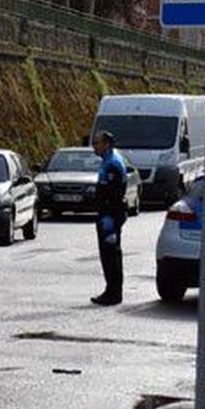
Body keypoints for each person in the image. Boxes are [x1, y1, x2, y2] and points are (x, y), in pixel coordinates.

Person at [90, 129, 128, 306]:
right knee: (109, 255)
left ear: (106, 144)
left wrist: (110, 219)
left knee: (110, 256)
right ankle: (111, 290)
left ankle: (113, 293)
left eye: (97, 143)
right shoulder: (108, 160)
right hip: (107, 214)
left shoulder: (112, 164)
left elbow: (114, 195)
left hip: (110, 216)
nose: (94, 147)